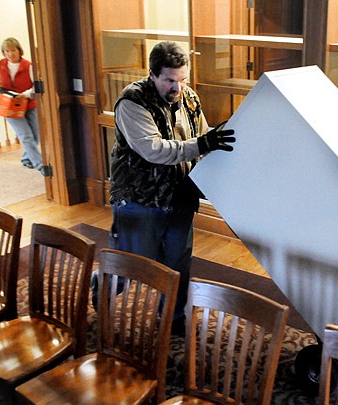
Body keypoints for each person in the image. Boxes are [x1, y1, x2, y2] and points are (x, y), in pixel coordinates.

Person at [91, 41, 235, 335]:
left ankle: (173, 318)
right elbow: (154, 150)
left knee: (177, 264)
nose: (177, 87)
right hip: (139, 200)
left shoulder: (189, 97)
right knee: (131, 267)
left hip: (180, 196)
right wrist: (201, 145)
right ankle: (101, 284)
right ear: (152, 74)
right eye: (170, 80)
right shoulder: (131, 102)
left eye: (182, 79)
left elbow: (201, 135)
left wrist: (212, 143)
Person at [0, 37, 44, 173]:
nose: (10, 54)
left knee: (35, 135)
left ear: (19, 50)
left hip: (29, 103)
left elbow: (37, 86)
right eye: (7, 51)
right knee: (25, 135)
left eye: (13, 50)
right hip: (10, 106)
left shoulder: (29, 66)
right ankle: (40, 165)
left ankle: (26, 159)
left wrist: (24, 94)